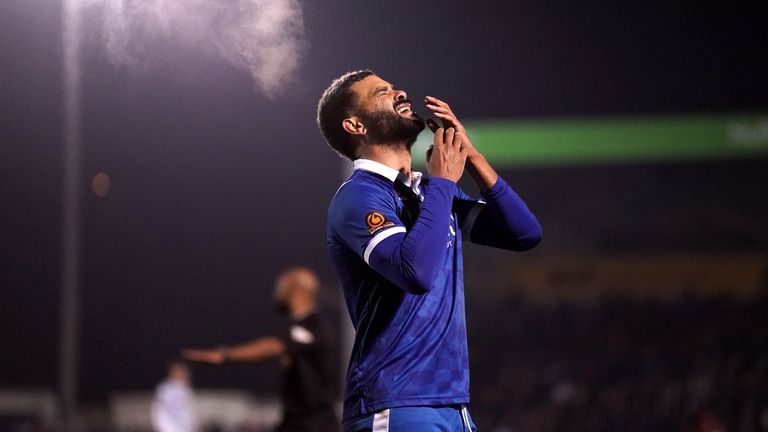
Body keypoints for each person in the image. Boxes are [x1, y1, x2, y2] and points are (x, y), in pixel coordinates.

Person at [318, 70, 542, 431]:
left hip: (451, 403)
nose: (400, 91)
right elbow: (415, 272)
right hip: (395, 401)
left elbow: (524, 234)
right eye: (382, 92)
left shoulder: (428, 191)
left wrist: (474, 159)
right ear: (355, 125)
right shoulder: (359, 196)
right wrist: (443, 183)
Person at [182, 267, 338, 432]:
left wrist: (225, 355)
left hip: (315, 424)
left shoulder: (314, 325)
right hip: (294, 422)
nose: (278, 293)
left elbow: (274, 346)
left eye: (282, 287)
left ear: (297, 290)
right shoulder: (296, 326)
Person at [151, 360, 196, 432]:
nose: (186, 376)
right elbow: (159, 411)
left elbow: (188, 412)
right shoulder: (165, 389)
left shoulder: (185, 389)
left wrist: (192, 427)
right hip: (170, 428)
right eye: (182, 373)